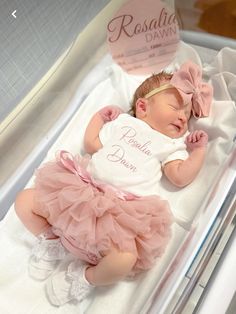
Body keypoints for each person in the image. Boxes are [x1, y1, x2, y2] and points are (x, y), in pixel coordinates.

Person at [15, 60, 213, 306]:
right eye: (176, 107)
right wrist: (99, 117)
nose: (183, 118)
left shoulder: (171, 145)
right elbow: (92, 144)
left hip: (119, 213)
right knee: (24, 201)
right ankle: (52, 241)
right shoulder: (123, 124)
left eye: (187, 115)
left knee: (124, 260)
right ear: (142, 106)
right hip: (80, 191)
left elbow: (180, 177)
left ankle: (84, 276)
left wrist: (198, 152)